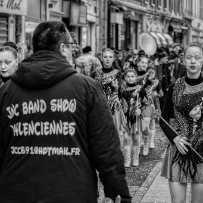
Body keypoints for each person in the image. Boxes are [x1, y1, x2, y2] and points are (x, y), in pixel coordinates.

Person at [0, 21, 131, 203]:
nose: (72, 51)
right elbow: (106, 147)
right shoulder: (86, 88)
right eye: (70, 46)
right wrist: (118, 193)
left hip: (17, 191)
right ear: (62, 48)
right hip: (72, 191)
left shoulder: (7, 91)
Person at [160, 42, 203, 203]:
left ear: (202, 61)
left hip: (201, 150)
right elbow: (163, 120)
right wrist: (175, 138)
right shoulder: (175, 86)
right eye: (189, 57)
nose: (193, 61)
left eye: (197, 58)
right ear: (183, 60)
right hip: (179, 150)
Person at [94, 48, 128, 147]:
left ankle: (118, 155)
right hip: (100, 106)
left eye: (110, 57)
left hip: (114, 105)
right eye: (105, 57)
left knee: (117, 131)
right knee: (101, 131)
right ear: (101, 58)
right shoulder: (96, 73)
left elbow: (122, 90)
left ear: (113, 59)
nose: (107, 59)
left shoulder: (118, 73)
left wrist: (116, 88)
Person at [120, 69, 148, 167]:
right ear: (125, 78)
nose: (130, 78)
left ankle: (135, 158)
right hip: (125, 118)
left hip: (136, 117)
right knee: (126, 138)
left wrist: (140, 110)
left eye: (132, 76)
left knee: (136, 138)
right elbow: (119, 102)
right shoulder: (122, 89)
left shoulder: (141, 89)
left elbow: (145, 103)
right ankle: (127, 160)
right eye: (128, 77)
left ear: (135, 77)